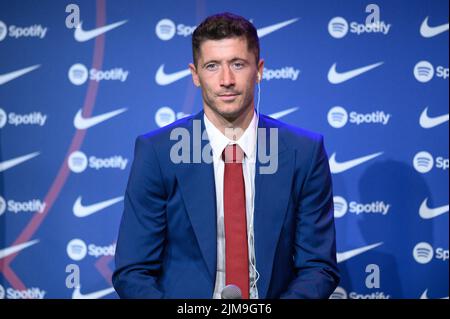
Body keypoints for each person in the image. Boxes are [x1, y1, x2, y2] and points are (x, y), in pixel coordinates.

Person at [112, 12, 339, 299]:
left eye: (238, 64)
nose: (226, 80)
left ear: (259, 70)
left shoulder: (303, 152)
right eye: (212, 66)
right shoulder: (159, 153)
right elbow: (132, 271)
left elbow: (317, 267)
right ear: (195, 75)